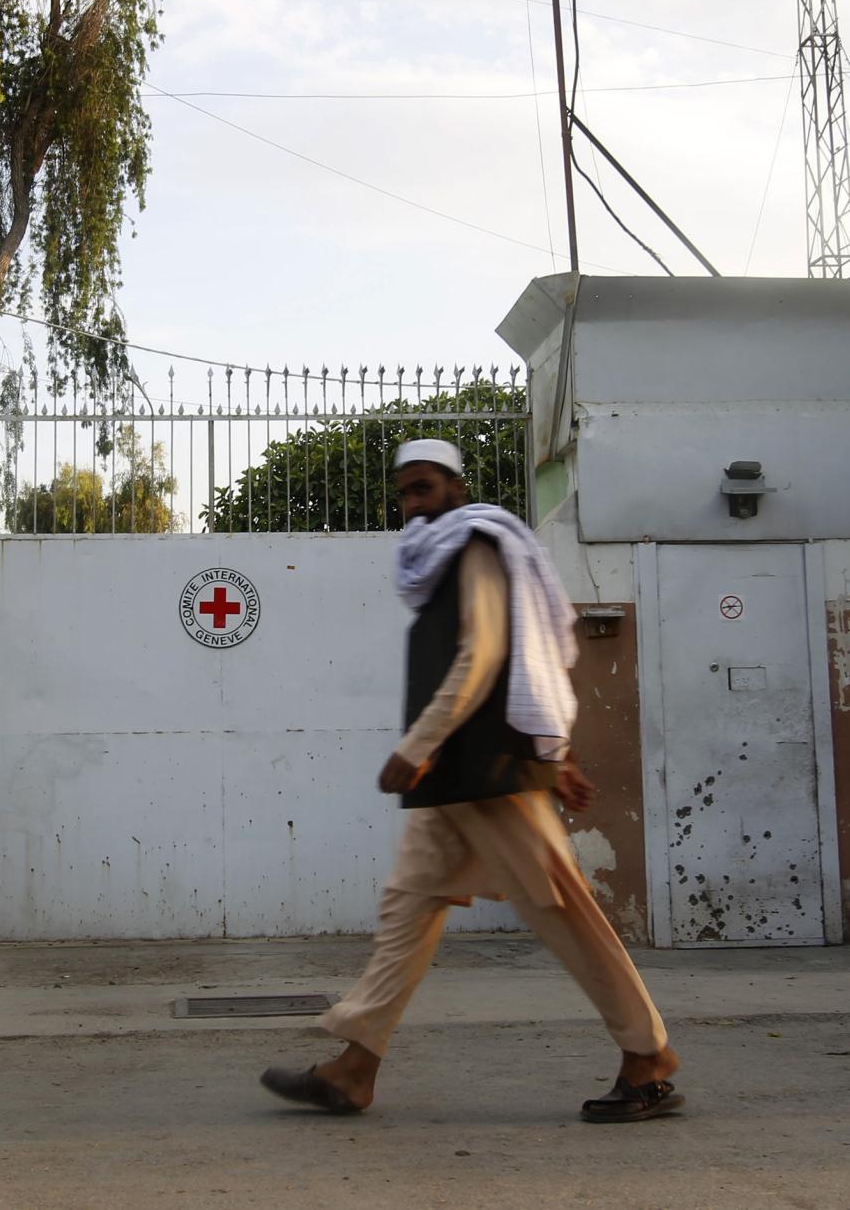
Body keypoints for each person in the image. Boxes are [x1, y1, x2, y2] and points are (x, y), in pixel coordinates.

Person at [260, 438, 682, 1123]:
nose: (413, 503)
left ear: (456, 487)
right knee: (406, 909)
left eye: (425, 488)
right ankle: (354, 1068)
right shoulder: (434, 562)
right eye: (404, 491)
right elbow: (522, 658)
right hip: (451, 776)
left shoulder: (476, 545)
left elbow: (487, 653)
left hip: (486, 770)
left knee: (561, 912)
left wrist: (422, 742)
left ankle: (649, 1057)